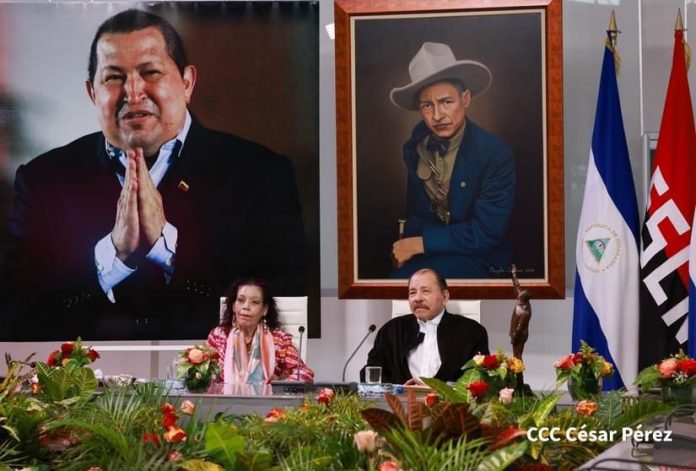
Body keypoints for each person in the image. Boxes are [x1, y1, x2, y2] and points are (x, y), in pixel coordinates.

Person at [0, 9, 306, 341]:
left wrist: (166, 246)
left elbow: (280, 315)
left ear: (187, 83)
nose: (133, 92)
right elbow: (18, 315)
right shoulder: (43, 181)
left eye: (151, 72)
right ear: (92, 92)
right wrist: (113, 255)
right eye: (114, 77)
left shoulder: (260, 174)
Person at [389, 42, 515, 279]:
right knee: (395, 285)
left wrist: (420, 244)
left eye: (446, 102)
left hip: (480, 257)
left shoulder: (495, 153)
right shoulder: (415, 147)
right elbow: (415, 215)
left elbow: (486, 232)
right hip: (429, 255)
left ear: (465, 99)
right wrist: (408, 245)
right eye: (427, 105)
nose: (437, 115)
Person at [362, 268, 489, 384]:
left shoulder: (471, 332)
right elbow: (371, 373)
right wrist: (398, 390)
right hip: (401, 405)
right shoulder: (392, 330)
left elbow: (481, 378)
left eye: (425, 291)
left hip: (450, 407)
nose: (417, 298)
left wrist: (441, 389)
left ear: (445, 297)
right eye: (412, 293)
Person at [206, 278, 313, 384]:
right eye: (241, 300)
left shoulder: (279, 341)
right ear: (234, 306)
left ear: (264, 310)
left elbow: (304, 373)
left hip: (268, 400)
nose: (246, 306)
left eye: (255, 302)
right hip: (226, 400)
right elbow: (203, 374)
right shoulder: (218, 336)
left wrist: (277, 390)